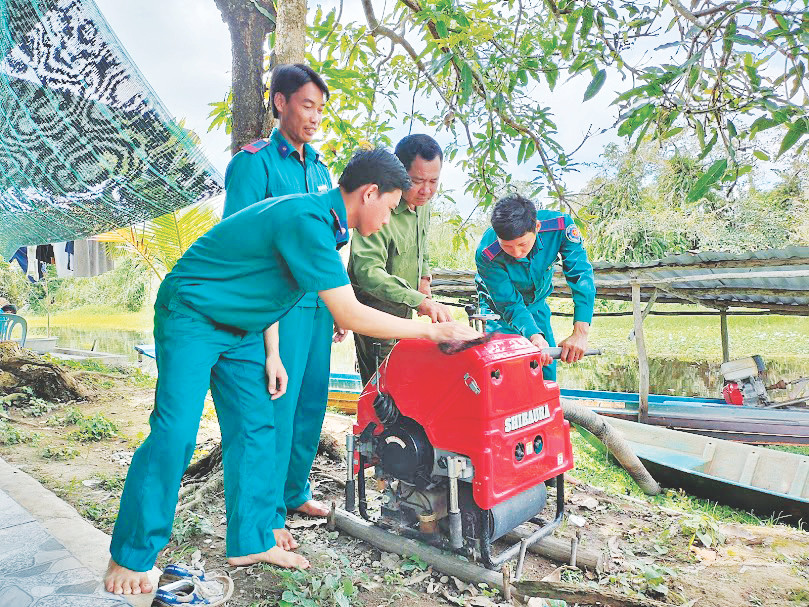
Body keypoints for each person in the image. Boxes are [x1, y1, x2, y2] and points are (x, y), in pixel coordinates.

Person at [104, 148, 481, 595]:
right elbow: (351, 312)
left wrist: (272, 352)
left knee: (257, 427)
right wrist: (430, 332)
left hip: (245, 326)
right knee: (175, 431)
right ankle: (130, 554)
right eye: (391, 205)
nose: (391, 216)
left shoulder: (329, 227)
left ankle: (251, 539)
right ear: (370, 192)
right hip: (194, 314)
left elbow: (269, 284)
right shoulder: (308, 220)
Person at [221, 64, 335, 533]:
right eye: (307, 105)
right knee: (277, 409)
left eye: (320, 109)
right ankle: (265, 517)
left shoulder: (321, 169)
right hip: (278, 310)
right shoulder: (255, 163)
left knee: (311, 405)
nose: (314, 117)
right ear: (280, 101)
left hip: (318, 307)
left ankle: (295, 492)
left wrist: (336, 305)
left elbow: (327, 242)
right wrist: (266, 340)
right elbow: (242, 246)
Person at [348, 134, 453, 384]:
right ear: (400, 172)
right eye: (417, 181)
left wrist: (424, 278)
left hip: (406, 314)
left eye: (433, 181)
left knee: (408, 389)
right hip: (376, 315)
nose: (426, 190)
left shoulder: (422, 203)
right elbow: (367, 272)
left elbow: (421, 245)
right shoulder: (378, 206)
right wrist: (420, 302)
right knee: (383, 394)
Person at [475, 194, 595, 379]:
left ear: (537, 227)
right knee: (503, 372)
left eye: (523, 244)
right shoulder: (486, 253)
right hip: (498, 311)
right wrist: (534, 336)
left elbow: (581, 276)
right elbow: (509, 304)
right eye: (507, 246)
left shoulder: (560, 227)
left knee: (545, 371)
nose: (517, 254)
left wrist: (580, 332)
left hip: (536, 305)